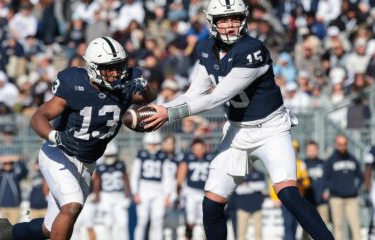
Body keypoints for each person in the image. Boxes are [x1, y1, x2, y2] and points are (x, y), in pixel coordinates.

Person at [144, 0, 334, 239]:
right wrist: (161, 108)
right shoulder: (206, 48)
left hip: (271, 130)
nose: (230, 25)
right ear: (213, 23)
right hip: (237, 132)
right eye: (223, 19)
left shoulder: (252, 49)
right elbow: (194, 93)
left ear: (244, 19)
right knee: (211, 203)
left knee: (287, 193)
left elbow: (218, 97)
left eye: (234, 18)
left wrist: (169, 114)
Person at [0, 36, 156, 240]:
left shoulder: (126, 81)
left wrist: (145, 88)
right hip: (59, 152)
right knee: (72, 205)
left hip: (87, 162)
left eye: (118, 66)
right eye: (108, 68)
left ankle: (8, 232)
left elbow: (147, 97)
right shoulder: (74, 83)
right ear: (93, 67)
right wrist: (55, 136)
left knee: (52, 228)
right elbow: (39, 117)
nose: (115, 73)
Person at [131, 131, 174, 240]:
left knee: (157, 220)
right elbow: (135, 174)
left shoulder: (163, 156)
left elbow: (167, 176)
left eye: (154, 144)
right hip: (144, 188)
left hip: (158, 189)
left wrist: (168, 194)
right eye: (150, 144)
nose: (152, 146)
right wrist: (135, 192)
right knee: (142, 220)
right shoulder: (141, 155)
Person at [323, 135, 363, 240]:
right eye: (340, 144)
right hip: (336, 198)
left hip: (352, 198)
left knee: (355, 226)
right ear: (336, 144)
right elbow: (325, 178)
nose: (343, 147)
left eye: (345, 144)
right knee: (338, 226)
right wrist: (334, 188)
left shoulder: (352, 158)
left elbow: (360, 176)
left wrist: (355, 188)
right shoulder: (331, 160)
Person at [94, 141, 131, 240]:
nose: (110, 158)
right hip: (106, 196)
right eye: (108, 155)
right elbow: (97, 184)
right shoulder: (100, 167)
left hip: (119, 195)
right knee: (108, 223)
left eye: (112, 155)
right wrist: (98, 200)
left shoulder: (121, 164)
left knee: (122, 223)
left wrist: (127, 196)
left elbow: (126, 180)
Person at [177, 138, 212, 240]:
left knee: (205, 219)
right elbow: (181, 175)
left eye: (200, 148)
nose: (198, 151)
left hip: (205, 192)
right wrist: (177, 192)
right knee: (190, 218)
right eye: (196, 149)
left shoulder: (210, 157)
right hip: (191, 191)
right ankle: (189, 237)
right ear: (192, 149)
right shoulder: (188, 157)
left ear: (204, 148)